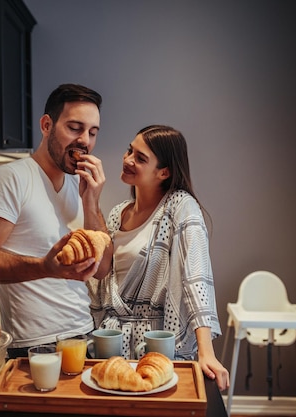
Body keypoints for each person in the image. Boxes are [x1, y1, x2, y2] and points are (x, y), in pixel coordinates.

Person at [0, 84, 109, 358]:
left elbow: (102, 269)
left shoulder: (80, 185)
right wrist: (45, 267)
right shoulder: (8, 179)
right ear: (46, 125)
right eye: (75, 128)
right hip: (35, 347)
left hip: (85, 335)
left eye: (92, 132)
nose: (85, 141)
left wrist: (92, 201)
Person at [87, 124, 230, 390]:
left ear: (164, 172)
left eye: (140, 158)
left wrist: (206, 351)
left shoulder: (180, 207)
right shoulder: (118, 214)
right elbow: (100, 273)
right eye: (130, 150)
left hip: (158, 346)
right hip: (114, 346)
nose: (128, 159)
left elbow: (195, 276)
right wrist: (90, 198)